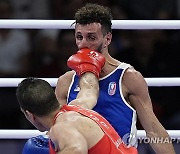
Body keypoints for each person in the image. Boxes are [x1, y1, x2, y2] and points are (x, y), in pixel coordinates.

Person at [55, 3, 175, 153]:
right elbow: (56, 130)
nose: (83, 44)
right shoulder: (66, 82)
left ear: (107, 39)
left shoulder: (128, 78)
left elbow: (154, 131)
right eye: (79, 37)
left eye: (91, 37)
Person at [16, 73, 138, 153]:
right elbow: (89, 89)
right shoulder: (78, 106)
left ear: (29, 115)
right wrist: (88, 67)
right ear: (53, 96)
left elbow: (77, 149)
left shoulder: (60, 129)